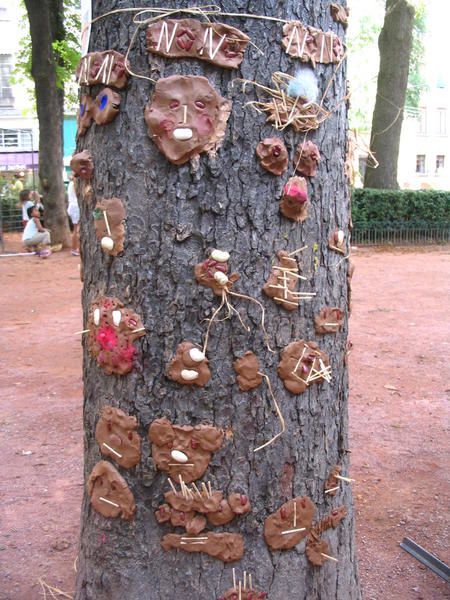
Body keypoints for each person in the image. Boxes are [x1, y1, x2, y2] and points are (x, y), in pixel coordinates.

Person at [67, 174, 80, 256]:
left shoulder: (71, 183)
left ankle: (75, 248)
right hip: (76, 207)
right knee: (77, 229)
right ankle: (75, 248)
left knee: (76, 229)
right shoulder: (75, 184)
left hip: (72, 206)